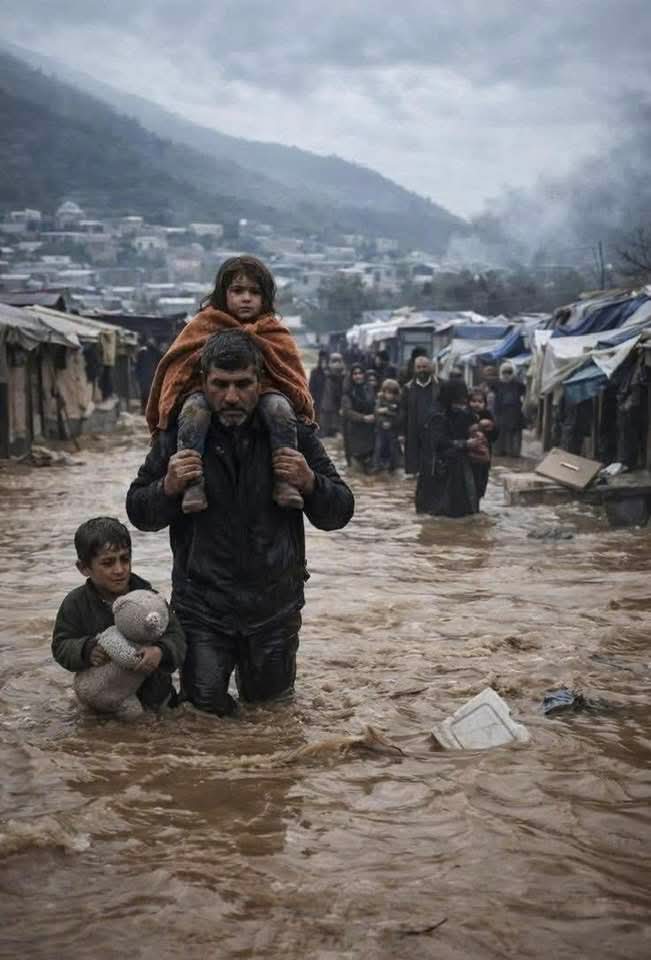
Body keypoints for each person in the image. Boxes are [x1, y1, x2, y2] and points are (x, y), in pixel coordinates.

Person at [126, 329, 354, 717]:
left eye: (243, 384)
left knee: (273, 718)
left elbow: (340, 512)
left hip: (274, 608)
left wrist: (310, 482)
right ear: (203, 382)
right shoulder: (180, 435)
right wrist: (168, 487)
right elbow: (139, 513)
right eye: (220, 384)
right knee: (202, 717)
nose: (231, 397)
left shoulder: (291, 434)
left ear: (260, 382)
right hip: (202, 608)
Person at [146, 255, 313, 515]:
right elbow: (177, 368)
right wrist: (169, 486)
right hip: (199, 397)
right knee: (194, 410)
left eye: (254, 292)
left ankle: (285, 481)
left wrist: (310, 482)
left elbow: (290, 376)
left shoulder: (274, 333)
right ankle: (192, 483)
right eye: (237, 291)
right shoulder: (202, 326)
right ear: (223, 294)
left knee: (279, 408)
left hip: (269, 396)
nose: (246, 298)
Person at [52, 517, 186, 710]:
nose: (119, 570)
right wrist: (87, 650)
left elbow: (177, 637)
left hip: (155, 698)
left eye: (125, 559)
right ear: (84, 568)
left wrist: (160, 651)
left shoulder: (150, 599)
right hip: (105, 700)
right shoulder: (75, 603)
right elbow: (61, 645)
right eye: (108, 563)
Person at [415, 380, 483, 517]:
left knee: (462, 509)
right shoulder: (436, 415)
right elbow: (439, 443)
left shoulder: (459, 412)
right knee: (440, 510)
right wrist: (465, 444)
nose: (461, 404)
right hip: (439, 468)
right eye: (459, 400)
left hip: (458, 465)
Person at [401, 355, 440, 475]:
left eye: (424, 367)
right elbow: (403, 411)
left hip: (434, 429)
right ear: (414, 369)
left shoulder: (439, 386)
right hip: (413, 430)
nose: (422, 370)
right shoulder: (408, 388)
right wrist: (401, 432)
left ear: (430, 368)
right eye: (419, 367)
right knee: (414, 466)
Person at [341, 364, 375, 471]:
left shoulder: (369, 389)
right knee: (356, 470)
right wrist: (363, 418)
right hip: (353, 433)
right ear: (351, 376)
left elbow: (375, 405)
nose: (358, 376)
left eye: (360, 373)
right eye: (355, 374)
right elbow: (347, 412)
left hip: (369, 433)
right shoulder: (347, 392)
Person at [468, 387, 498, 501]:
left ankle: (477, 501)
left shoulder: (488, 415)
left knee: (480, 484)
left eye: (480, 402)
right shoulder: (465, 415)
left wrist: (491, 427)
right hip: (468, 457)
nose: (477, 404)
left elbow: (495, 436)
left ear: (485, 404)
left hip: (483, 458)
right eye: (473, 401)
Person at [493, 362, 526, 456]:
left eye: (509, 372)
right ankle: (500, 451)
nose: (507, 374)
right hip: (501, 412)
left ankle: (514, 452)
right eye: (504, 372)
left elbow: (523, 395)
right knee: (500, 432)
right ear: (501, 372)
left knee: (514, 432)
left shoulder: (518, 384)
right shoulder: (496, 384)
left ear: (513, 372)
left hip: (514, 412)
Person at [372, 378, 403, 472]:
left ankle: (393, 466)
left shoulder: (398, 403)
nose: (390, 395)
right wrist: (382, 421)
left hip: (393, 430)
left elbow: (400, 417)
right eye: (388, 393)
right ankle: (377, 465)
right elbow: (376, 414)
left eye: (393, 393)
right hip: (380, 430)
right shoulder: (379, 401)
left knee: (393, 449)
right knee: (379, 447)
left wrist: (391, 422)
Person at [319, 353, 346, 437]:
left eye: (338, 361)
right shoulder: (325, 373)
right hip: (327, 397)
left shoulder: (343, 374)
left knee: (335, 414)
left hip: (337, 397)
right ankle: (326, 430)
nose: (336, 364)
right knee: (327, 413)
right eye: (334, 361)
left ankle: (334, 430)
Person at [134, 337, 162, 414]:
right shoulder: (143, 353)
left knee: (148, 393)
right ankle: (145, 409)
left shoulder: (156, 353)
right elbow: (138, 365)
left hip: (150, 377)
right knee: (147, 393)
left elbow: (137, 366)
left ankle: (147, 410)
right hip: (147, 377)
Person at [308, 349, 329, 424]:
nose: (323, 361)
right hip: (318, 400)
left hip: (328, 402)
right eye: (321, 358)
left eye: (325, 359)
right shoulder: (315, 372)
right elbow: (311, 387)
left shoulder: (331, 373)